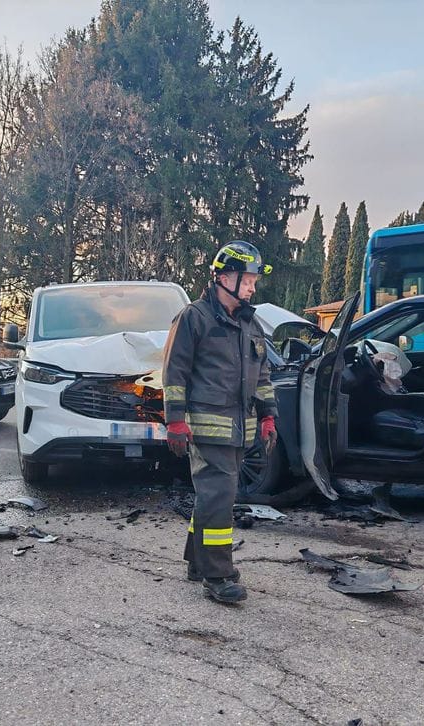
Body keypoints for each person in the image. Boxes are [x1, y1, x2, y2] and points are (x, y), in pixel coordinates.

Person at [162, 240, 278, 605]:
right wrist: (175, 422)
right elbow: (174, 373)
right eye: (248, 280)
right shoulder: (193, 318)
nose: (252, 287)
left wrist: (269, 416)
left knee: (212, 497)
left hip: (238, 431)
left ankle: (197, 561)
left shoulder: (250, 324)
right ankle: (218, 575)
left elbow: (263, 376)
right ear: (225, 277)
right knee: (220, 497)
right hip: (206, 429)